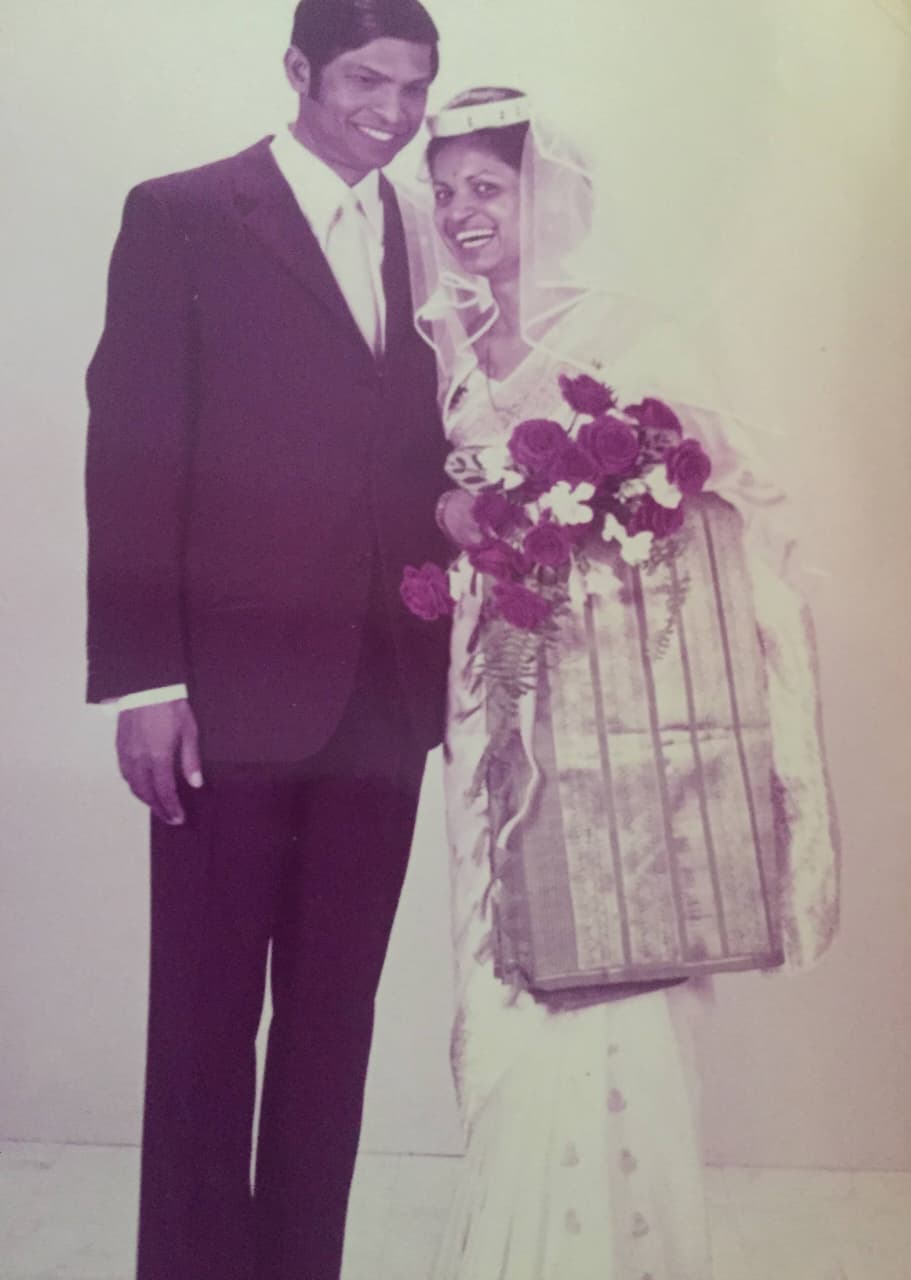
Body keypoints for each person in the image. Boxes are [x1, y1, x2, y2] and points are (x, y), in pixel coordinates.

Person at [402, 87, 840, 1279]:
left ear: (542, 195)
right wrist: (459, 517)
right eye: (445, 194)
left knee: (616, 935)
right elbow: (435, 503)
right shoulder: (449, 340)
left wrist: (591, 528)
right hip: (498, 688)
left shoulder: (625, 332)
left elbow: (732, 497)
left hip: (612, 704)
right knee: (508, 945)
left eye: (485, 187)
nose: (462, 213)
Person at [83, 3, 450, 1277]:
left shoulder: (426, 232)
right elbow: (132, 450)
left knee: (332, 1025)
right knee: (200, 1026)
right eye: (366, 80)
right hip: (223, 701)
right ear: (297, 71)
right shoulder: (183, 213)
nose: (394, 113)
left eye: (415, 86)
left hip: (387, 699)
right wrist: (146, 676)